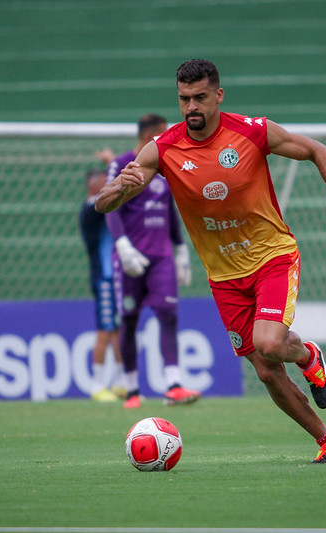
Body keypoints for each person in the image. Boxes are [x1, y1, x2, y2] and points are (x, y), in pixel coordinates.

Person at [96, 59, 326, 463]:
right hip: (224, 278)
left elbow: (318, 150)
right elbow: (104, 205)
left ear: (218, 96)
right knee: (264, 369)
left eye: (200, 98)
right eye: (184, 99)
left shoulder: (251, 131)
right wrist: (119, 188)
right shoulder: (163, 149)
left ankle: (309, 356)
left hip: (271, 257)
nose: (191, 106)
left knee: (269, 342)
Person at [104, 114, 201, 409]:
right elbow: (109, 206)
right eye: (163, 133)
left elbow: (169, 208)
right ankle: (132, 390)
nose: (169, 138)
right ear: (150, 136)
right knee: (129, 321)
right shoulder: (121, 163)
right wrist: (122, 246)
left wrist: (181, 251)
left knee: (168, 315)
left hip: (161, 257)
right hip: (131, 258)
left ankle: (173, 385)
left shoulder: (166, 164)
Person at [79, 168, 126, 402]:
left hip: (114, 277)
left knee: (117, 331)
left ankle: (120, 383)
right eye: (103, 182)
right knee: (105, 331)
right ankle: (97, 385)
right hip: (104, 278)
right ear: (92, 185)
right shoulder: (90, 208)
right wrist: (113, 169)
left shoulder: (104, 209)